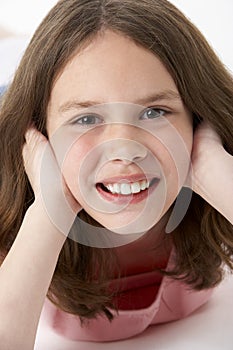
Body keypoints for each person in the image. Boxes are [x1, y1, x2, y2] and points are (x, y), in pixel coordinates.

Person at [0, 0, 232, 347]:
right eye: (87, 119)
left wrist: (219, 175)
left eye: (155, 111)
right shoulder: (9, 199)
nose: (124, 149)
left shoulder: (217, 170)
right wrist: (49, 212)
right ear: (42, 134)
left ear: (197, 117)